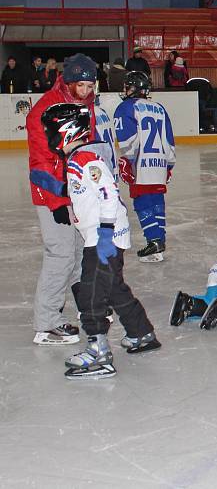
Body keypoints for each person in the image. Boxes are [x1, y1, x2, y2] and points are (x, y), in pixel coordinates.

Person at [41, 103, 160, 379]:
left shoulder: (86, 160)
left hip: (103, 238)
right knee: (115, 288)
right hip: (101, 234)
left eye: (51, 130)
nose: (50, 136)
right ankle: (141, 333)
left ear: (66, 132)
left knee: (91, 293)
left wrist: (105, 234)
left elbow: (107, 193)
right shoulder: (78, 159)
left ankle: (98, 351)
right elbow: (87, 194)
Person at [27, 53, 98, 346]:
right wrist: (57, 202)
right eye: (80, 85)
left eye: (90, 85)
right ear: (68, 81)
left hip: (76, 191)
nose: (85, 91)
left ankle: (85, 308)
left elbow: (84, 151)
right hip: (51, 193)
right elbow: (41, 163)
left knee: (81, 250)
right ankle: (46, 323)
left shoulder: (86, 106)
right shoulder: (44, 110)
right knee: (61, 253)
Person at [115, 71, 176, 262]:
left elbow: (127, 138)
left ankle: (154, 240)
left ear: (135, 88)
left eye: (128, 86)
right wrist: (169, 164)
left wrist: (127, 160)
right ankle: (159, 244)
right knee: (157, 200)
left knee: (142, 201)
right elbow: (169, 139)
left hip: (141, 163)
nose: (126, 90)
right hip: (159, 162)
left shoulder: (126, 107)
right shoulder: (159, 108)